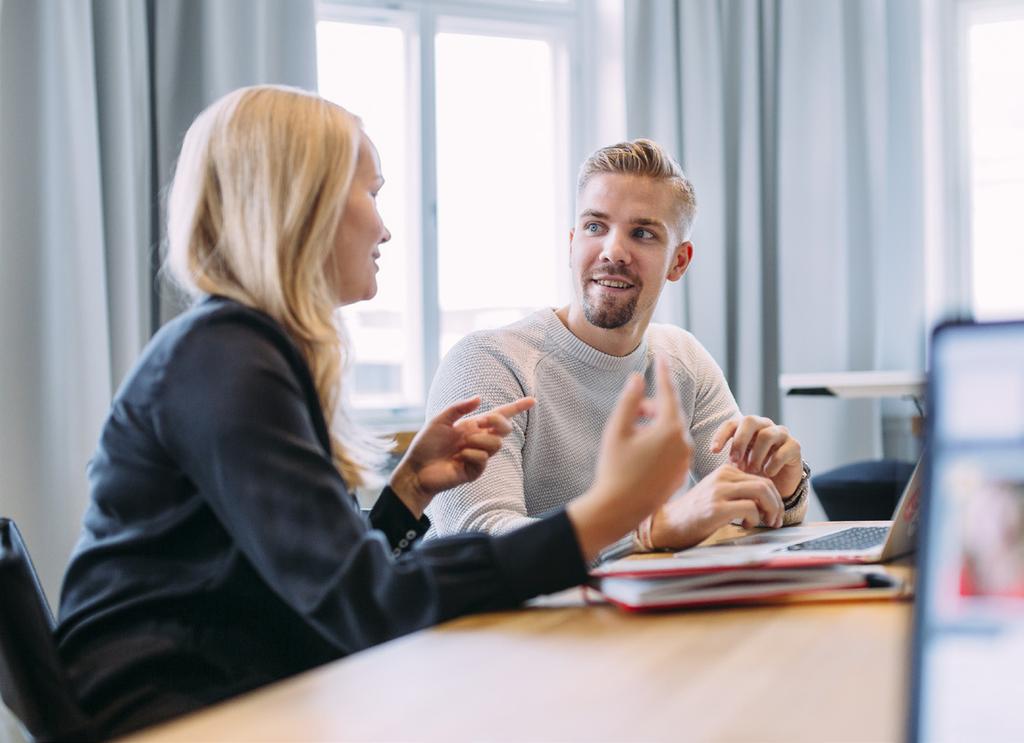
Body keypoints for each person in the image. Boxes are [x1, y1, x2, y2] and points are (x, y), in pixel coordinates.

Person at [55, 87, 692, 738]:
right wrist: (602, 515)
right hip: (174, 715)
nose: (385, 227)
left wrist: (408, 489)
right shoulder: (226, 363)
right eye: (372, 192)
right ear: (305, 201)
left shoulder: (241, 351)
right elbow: (370, 605)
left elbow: (328, 577)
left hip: (227, 686)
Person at [426, 138, 809, 554]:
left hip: (630, 611)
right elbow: (477, 538)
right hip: (504, 619)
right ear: (572, 243)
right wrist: (650, 531)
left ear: (679, 261)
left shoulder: (683, 359)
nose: (613, 251)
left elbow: (745, 503)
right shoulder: (490, 361)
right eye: (595, 227)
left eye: (642, 233)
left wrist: (780, 488)